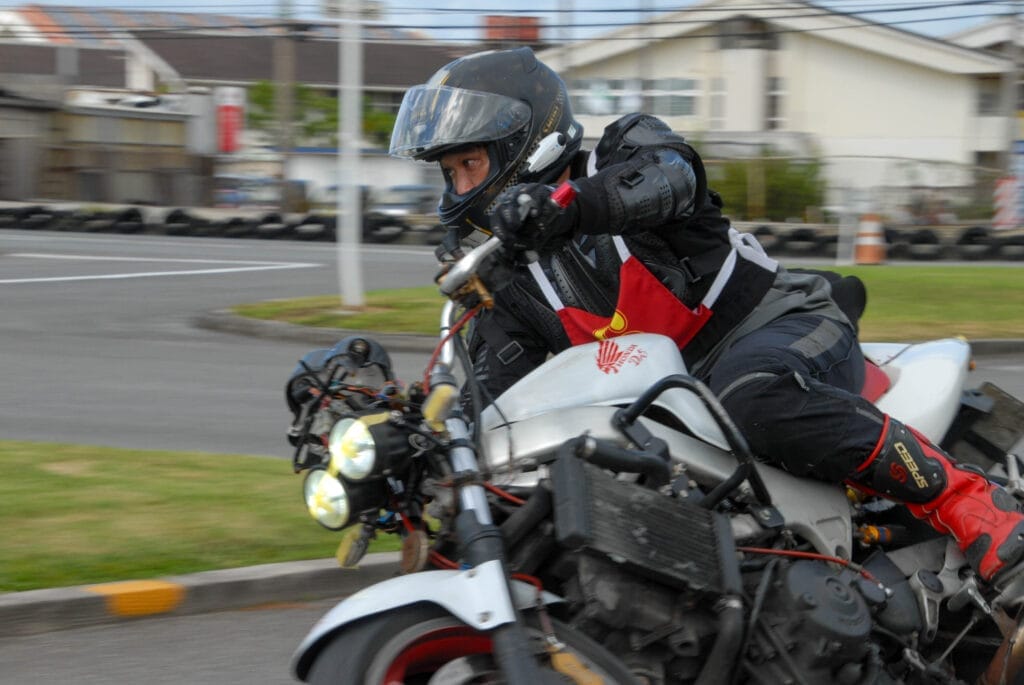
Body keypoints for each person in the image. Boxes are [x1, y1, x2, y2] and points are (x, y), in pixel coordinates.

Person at [388, 46, 1024, 588]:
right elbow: (496, 405)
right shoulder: (511, 284)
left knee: (752, 396)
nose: (459, 188)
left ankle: (970, 501)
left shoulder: (626, 150)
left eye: (470, 164)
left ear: (523, 145)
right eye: (450, 172)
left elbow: (669, 178)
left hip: (778, 326)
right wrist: (418, 459)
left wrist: (567, 206)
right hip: (677, 401)